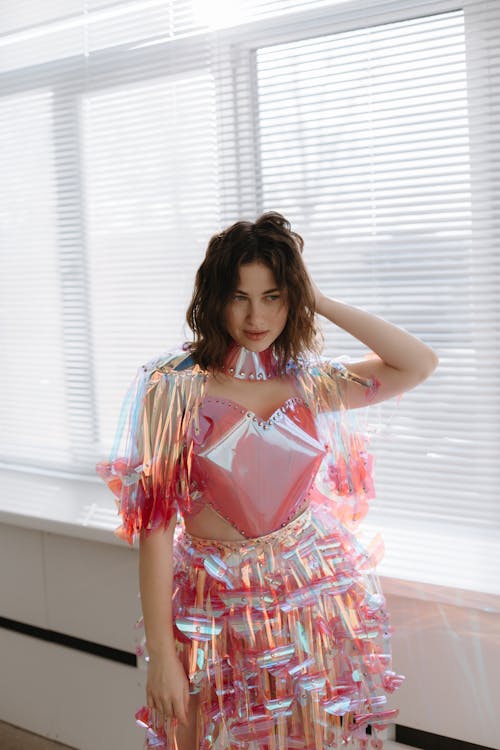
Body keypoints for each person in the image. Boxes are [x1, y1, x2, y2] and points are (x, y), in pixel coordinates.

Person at [96, 211, 438, 750]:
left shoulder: (309, 382)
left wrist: (317, 298)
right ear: (213, 298)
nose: (256, 316)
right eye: (239, 296)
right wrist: (162, 653)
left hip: (311, 596)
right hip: (214, 607)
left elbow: (417, 363)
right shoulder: (174, 389)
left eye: (274, 296)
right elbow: (156, 527)